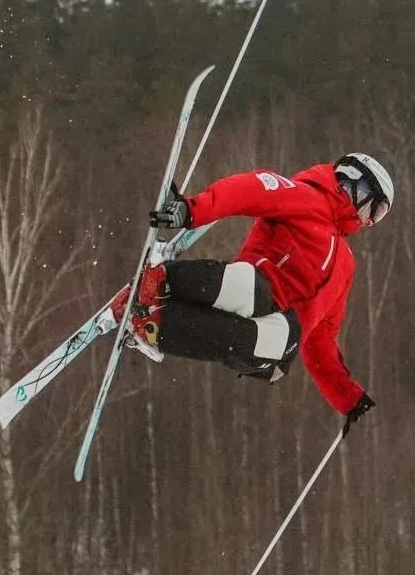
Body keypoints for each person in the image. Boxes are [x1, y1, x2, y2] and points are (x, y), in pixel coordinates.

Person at [109, 152, 393, 424]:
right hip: (257, 285)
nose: (370, 220)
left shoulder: (346, 265)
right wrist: (192, 210)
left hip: (278, 332)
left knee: (276, 343)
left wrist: (349, 399)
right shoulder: (306, 197)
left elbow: (321, 340)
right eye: (375, 209)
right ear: (357, 185)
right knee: (252, 294)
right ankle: (162, 281)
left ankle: (155, 325)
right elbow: (249, 191)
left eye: (378, 216)